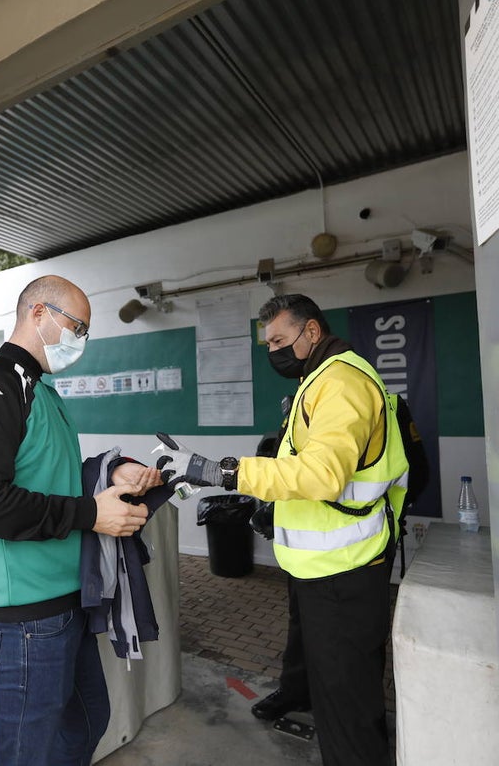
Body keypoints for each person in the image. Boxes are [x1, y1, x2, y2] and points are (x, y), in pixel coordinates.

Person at [155, 293, 409, 766]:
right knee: (336, 697)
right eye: (267, 342)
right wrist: (269, 506)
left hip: (344, 572)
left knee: (348, 709)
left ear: (312, 331)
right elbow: (301, 469)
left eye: (279, 339)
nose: (272, 351)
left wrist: (222, 471)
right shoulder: (320, 380)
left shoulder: (341, 383)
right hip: (325, 568)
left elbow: (323, 475)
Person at [0, 275, 160, 766]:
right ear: (37, 314)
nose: (80, 341)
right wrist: (90, 514)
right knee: (25, 753)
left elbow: (50, 475)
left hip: (66, 604)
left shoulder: (44, 392)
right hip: (23, 618)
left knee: (88, 722)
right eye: (76, 326)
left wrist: (112, 469)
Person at [249, 392, 431, 725]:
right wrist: (273, 511)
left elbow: (416, 472)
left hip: (364, 551)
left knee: (359, 639)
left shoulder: (385, 403)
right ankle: (296, 691)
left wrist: (387, 520)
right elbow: (291, 471)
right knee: (301, 622)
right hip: (308, 545)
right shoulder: (302, 403)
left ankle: (361, 716)